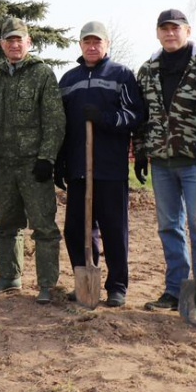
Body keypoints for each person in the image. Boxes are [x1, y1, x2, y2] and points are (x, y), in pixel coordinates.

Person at [133, 8, 196, 328]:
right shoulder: (147, 69)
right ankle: (175, 290)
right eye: (164, 29)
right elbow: (141, 114)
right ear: (157, 33)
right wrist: (139, 152)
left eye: (175, 28)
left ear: (188, 31)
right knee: (169, 227)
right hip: (162, 163)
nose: (170, 34)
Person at [0, 17, 65, 303]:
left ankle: (47, 284)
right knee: (7, 223)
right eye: (9, 40)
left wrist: (47, 157)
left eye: (19, 39)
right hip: (5, 164)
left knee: (43, 225)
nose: (14, 44)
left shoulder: (42, 75)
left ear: (28, 42)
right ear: (2, 44)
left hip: (35, 165)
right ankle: (9, 276)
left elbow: (54, 120)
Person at [56, 21, 144, 307]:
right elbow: (61, 124)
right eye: (87, 42)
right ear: (80, 45)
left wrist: (106, 118)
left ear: (106, 45)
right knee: (76, 229)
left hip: (110, 167)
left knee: (113, 229)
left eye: (97, 42)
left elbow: (135, 115)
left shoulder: (121, 75)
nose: (92, 47)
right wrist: (60, 161)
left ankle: (117, 285)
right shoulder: (69, 79)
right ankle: (85, 278)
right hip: (79, 168)